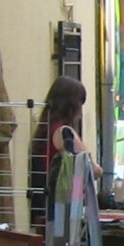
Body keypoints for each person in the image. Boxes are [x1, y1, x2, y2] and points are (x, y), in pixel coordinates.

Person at [30, 75, 88, 230]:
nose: (81, 113)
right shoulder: (64, 133)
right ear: (72, 106)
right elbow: (92, 168)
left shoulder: (44, 130)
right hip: (61, 214)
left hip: (45, 211)